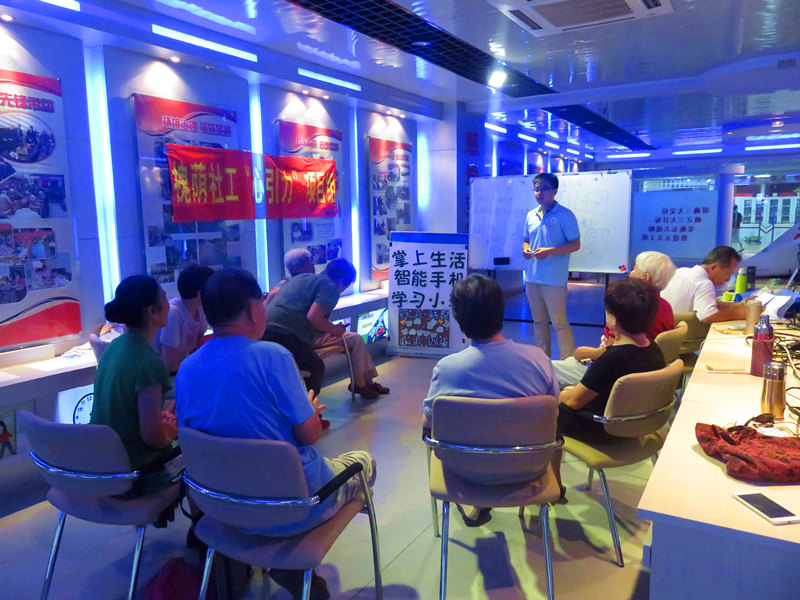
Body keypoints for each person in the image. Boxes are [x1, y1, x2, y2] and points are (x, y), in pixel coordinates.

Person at [176, 268, 375, 600]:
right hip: (297, 505)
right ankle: (292, 561)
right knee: (363, 462)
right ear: (254, 310)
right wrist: (311, 414)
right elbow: (309, 435)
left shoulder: (187, 368)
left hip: (223, 507)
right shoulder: (273, 357)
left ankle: (285, 565)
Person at [423, 274, 559, 524]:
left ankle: (473, 504)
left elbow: (429, 424)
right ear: (501, 310)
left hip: (465, 471)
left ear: (458, 318)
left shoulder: (447, 369)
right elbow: (553, 414)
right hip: (529, 467)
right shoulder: (538, 359)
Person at [553, 278, 666, 493]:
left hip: (604, 429)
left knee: (549, 405)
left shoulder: (612, 359)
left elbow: (574, 401)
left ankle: (553, 485)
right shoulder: (655, 351)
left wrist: (559, 393)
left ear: (612, 318)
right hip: (636, 427)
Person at [90, 275, 181, 500]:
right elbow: (153, 438)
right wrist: (170, 431)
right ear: (153, 311)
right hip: (135, 473)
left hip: (102, 464)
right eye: (164, 297)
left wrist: (158, 420)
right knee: (198, 454)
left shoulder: (115, 346)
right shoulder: (149, 362)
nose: (169, 304)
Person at [266, 249, 389, 401]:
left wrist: (330, 328)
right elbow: (313, 317)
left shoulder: (303, 280)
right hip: (292, 336)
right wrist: (334, 329)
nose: (313, 264)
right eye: (309, 261)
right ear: (341, 280)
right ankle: (308, 408)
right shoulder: (329, 287)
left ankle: (365, 382)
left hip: (277, 332)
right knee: (317, 368)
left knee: (354, 339)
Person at [552, 251, 675, 388]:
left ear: (645, 277)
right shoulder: (665, 307)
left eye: (634, 268)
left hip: (610, 372)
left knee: (545, 370)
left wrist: (590, 352)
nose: (630, 272)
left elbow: (616, 352)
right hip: (630, 371)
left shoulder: (631, 310)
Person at [522, 172, 581, 359]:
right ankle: (543, 360)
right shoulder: (531, 215)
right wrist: (525, 249)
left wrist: (550, 251)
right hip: (532, 278)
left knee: (559, 324)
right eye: (536, 190)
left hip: (554, 279)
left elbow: (575, 244)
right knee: (539, 322)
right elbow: (526, 240)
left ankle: (567, 361)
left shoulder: (565, 215)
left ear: (554, 191)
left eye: (544, 189)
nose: (539, 193)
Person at [153, 263, 214, 373]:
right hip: (167, 375)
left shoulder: (199, 308)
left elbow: (198, 345)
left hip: (183, 369)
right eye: (213, 288)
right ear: (200, 294)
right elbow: (169, 365)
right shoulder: (173, 315)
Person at [660, 246, 747, 323]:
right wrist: (739, 314)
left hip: (662, 327)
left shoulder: (680, 271)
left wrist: (738, 306)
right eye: (728, 274)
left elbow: (707, 303)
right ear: (713, 267)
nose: (728, 280)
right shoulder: (703, 283)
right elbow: (707, 316)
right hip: (678, 331)